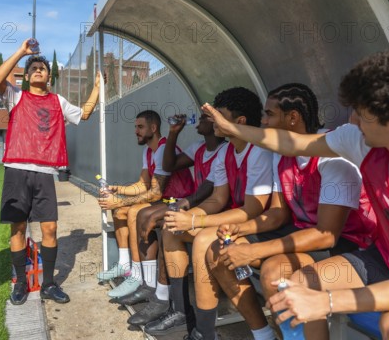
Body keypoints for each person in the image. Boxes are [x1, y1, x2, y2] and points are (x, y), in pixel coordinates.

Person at [202, 46, 389, 339]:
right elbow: (292, 142)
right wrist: (233, 128)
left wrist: (327, 301)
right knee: (300, 282)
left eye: (362, 115)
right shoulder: (361, 142)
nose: (352, 122)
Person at [206, 83, 376, 340]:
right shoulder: (281, 155)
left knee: (276, 272)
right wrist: (241, 229)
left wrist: (254, 250)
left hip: (345, 242)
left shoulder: (334, 158)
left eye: (269, 114)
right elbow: (278, 213)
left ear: (293, 118)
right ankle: (264, 334)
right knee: (219, 251)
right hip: (302, 234)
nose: (263, 122)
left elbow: (327, 236)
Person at [148, 87, 273, 340]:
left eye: (219, 115)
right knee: (172, 228)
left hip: (260, 227)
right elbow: (218, 199)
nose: (213, 119)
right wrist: (186, 217)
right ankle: (182, 311)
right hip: (231, 223)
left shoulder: (258, 151)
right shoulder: (226, 152)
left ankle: (204, 333)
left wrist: (195, 219)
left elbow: (252, 210)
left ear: (239, 122)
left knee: (204, 241)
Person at [0, 39, 102, 306]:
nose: (38, 70)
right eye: (34, 69)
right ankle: (20, 282)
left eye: (42, 68)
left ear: (48, 77)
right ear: (27, 76)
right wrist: (22, 52)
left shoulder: (58, 101)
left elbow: (85, 114)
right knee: (18, 229)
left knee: (50, 228)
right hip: (17, 171)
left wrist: (97, 87)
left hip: (44, 174)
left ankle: (49, 285)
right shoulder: (16, 96)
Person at [114, 112, 226, 327]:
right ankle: (150, 286)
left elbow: (205, 191)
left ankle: (163, 296)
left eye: (205, 117)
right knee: (143, 215)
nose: (199, 119)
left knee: (161, 221)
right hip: (194, 204)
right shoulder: (197, 147)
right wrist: (174, 133)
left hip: (203, 207)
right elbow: (170, 165)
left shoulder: (225, 150)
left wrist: (180, 205)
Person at [97, 110, 194, 301]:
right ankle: (125, 265)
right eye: (135, 127)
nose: (136, 131)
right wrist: (117, 190)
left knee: (133, 211)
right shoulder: (148, 150)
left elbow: (156, 192)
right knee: (119, 210)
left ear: (153, 128)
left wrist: (122, 200)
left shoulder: (164, 150)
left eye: (140, 127)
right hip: (165, 199)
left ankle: (138, 275)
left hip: (180, 200)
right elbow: (143, 184)